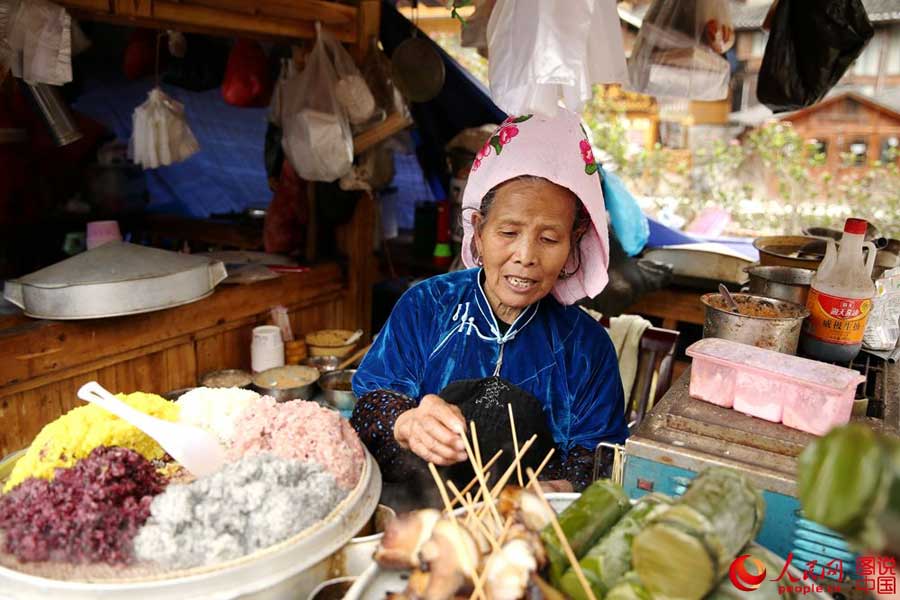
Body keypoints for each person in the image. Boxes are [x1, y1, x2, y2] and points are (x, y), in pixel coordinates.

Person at [351, 110, 628, 507]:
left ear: (574, 242)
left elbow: (602, 460)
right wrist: (405, 422)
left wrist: (557, 491)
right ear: (478, 231)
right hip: (415, 520)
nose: (525, 256)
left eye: (549, 238)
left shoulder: (587, 348)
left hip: (523, 533)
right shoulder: (426, 306)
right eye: (508, 232)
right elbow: (369, 404)